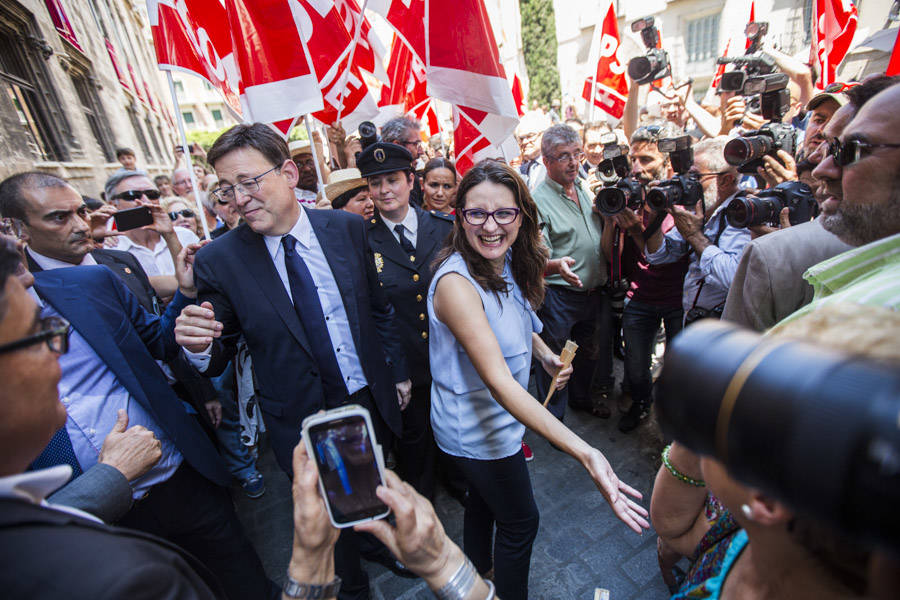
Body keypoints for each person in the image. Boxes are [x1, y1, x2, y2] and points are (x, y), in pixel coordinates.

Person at [0, 174, 273, 597]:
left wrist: (184, 294)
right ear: (16, 229)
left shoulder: (90, 283)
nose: (78, 225)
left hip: (177, 476)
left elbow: (161, 343)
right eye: (58, 218)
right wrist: (108, 480)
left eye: (80, 212)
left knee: (242, 579)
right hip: (95, 525)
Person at [173, 122, 413, 600]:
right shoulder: (220, 260)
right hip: (300, 417)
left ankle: (380, 545)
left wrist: (398, 371)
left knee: (373, 483)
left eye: (248, 182)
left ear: (287, 173)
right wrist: (197, 346)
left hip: (366, 395)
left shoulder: (346, 228)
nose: (238, 199)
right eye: (226, 189)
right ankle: (353, 586)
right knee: (326, 512)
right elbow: (218, 345)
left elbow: (378, 308)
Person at [428, 160, 649, 600]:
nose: (491, 227)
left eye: (504, 213)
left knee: (484, 506)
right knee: (520, 522)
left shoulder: (502, 259)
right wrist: (586, 451)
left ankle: (479, 573)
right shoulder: (456, 284)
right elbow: (500, 383)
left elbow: (515, 320)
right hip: (478, 432)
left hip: (498, 424)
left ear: (521, 216)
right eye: (477, 213)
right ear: (460, 215)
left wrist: (546, 354)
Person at [652, 303, 894, 600]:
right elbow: (674, 532)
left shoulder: (760, 529)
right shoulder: (756, 534)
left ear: (767, 497)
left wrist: (705, 411)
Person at [722, 77, 900, 331]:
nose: (822, 166)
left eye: (850, 151)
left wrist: (787, 251)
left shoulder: (869, 317)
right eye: (817, 120)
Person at [358, 142, 454, 500]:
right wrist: (395, 370)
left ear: (411, 181)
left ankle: (460, 483)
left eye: (392, 180)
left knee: (455, 426)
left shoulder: (445, 228)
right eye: (375, 182)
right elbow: (372, 311)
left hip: (449, 354)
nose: (384, 190)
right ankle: (422, 505)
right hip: (405, 366)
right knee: (415, 442)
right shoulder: (362, 240)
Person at [602, 125, 689, 433]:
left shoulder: (681, 200)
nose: (638, 168)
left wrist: (639, 231)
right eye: (634, 159)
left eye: (647, 160)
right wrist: (611, 219)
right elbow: (609, 256)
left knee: (678, 370)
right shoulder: (629, 197)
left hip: (678, 300)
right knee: (636, 369)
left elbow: (665, 256)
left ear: (666, 163)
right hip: (640, 297)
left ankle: (673, 421)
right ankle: (641, 403)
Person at [532, 123, 614, 420]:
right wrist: (556, 266)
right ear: (546, 161)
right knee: (555, 360)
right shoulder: (537, 201)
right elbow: (537, 257)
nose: (573, 161)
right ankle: (552, 418)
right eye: (563, 156)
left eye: (576, 154)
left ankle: (581, 400)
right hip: (559, 297)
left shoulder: (584, 187)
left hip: (592, 294)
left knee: (588, 354)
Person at [644, 137, 750, 324]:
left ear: (725, 180)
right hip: (696, 320)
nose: (686, 185)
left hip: (726, 328)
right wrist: (655, 216)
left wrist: (694, 236)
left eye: (694, 177)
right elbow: (658, 255)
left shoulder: (742, 214)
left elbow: (732, 277)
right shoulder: (702, 212)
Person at [105, 170, 201, 302]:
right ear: (112, 204)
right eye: (132, 195)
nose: (145, 201)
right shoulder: (111, 249)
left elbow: (203, 278)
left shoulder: (184, 236)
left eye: (152, 194)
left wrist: (169, 235)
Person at [381, 116, 427, 205]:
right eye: (415, 144)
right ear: (397, 145)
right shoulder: (384, 176)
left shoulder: (410, 173)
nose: (421, 151)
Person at [289, 139, 321, 208]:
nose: (307, 169)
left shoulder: (327, 190)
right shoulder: (292, 201)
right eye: (299, 165)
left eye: (310, 162)